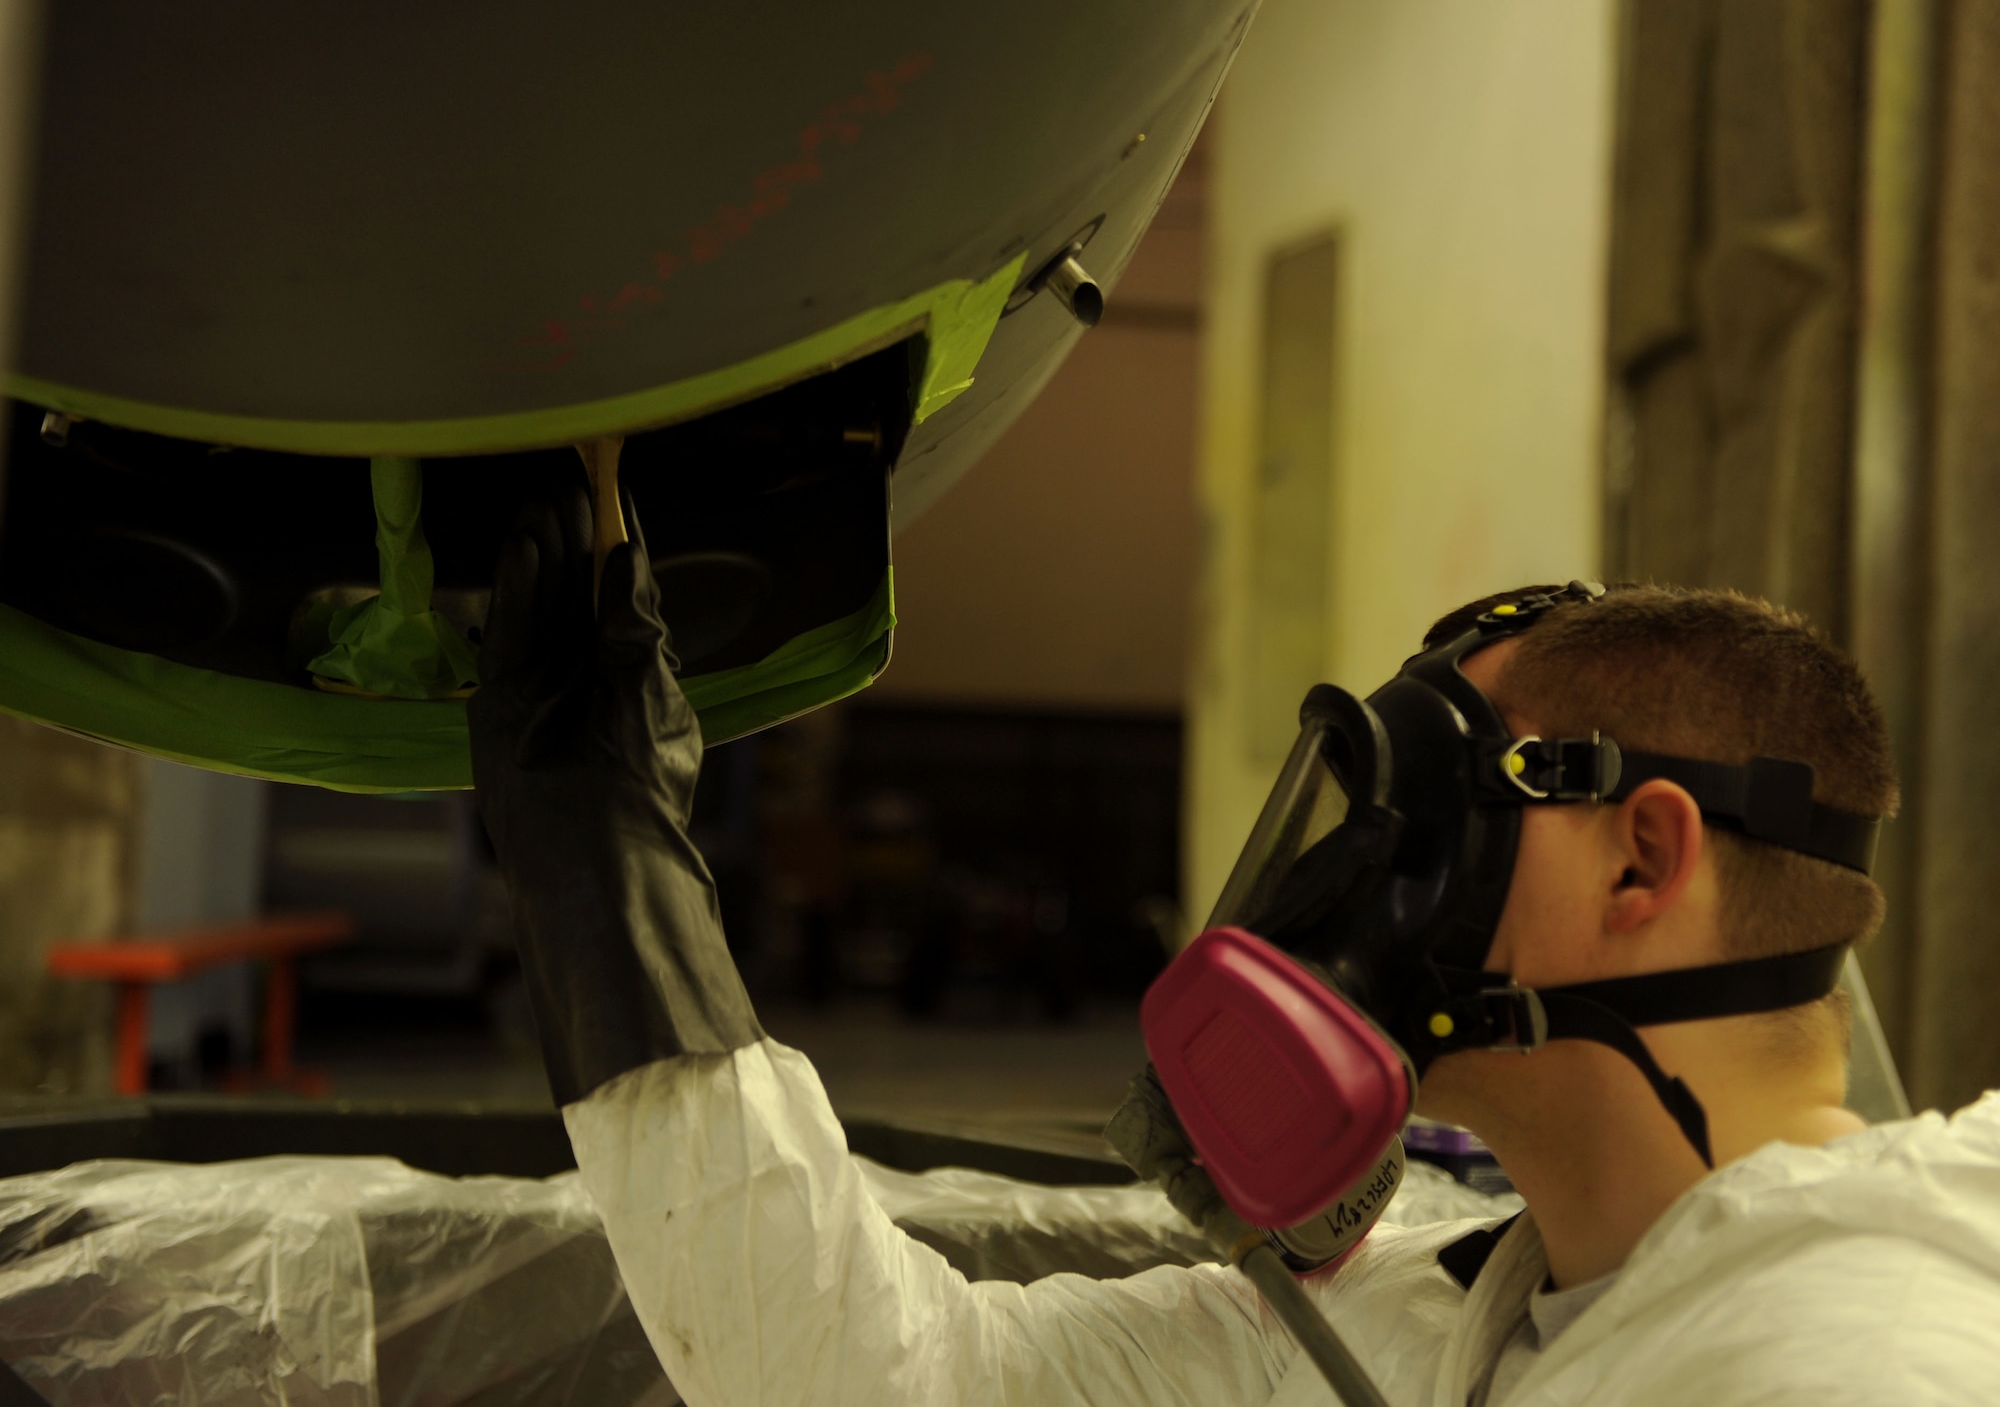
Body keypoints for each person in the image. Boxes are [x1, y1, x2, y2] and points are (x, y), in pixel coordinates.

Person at [469, 486, 2000, 1406]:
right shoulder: (1444, 1312)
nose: (1350, 893)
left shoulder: (1861, 1359)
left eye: (1425, 824)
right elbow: (893, 1380)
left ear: (1641, 858)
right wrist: (602, 859)